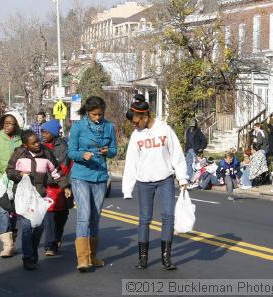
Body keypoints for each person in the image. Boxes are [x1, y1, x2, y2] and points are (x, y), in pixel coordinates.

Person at [122, 95, 188, 271]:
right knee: (144, 219)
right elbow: (131, 162)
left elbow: (177, 154)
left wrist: (182, 177)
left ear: (145, 117)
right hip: (144, 182)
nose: (134, 126)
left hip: (165, 179)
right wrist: (127, 188)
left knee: (168, 217)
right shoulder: (136, 136)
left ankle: (166, 257)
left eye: (136, 122)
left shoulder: (165, 130)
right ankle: (143, 258)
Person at [6, 130, 72, 271]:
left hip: (39, 196)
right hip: (23, 197)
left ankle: (33, 252)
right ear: (26, 145)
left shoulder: (46, 152)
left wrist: (65, 186)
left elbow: (56, 172)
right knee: (27, 227)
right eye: (33, 143)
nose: (38, 144)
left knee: (39, 227)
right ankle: (27, 258)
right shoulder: (19, 153)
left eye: (38, 141)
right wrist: (19, 174)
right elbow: (9, 171)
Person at [68, 96, 117, 272]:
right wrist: (82, 155)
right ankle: (82, 259)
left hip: (100, 177)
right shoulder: (78, 127)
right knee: (85, 214)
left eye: (100, 114)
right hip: (81, 176)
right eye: (94, 114)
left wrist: (107, 151)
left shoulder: (109, 127)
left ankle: (92, 256)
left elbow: (113, 150)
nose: (97, 118)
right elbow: (71, 151)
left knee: (95, 216)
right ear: (87, 112)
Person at [0, 111, 23, 258]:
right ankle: (7, 245)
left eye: (11, 124)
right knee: (3, 211)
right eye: (6, 123)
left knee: (14, 213)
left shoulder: (21, 139)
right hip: (1, 183)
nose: (8, 126)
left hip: (18, 182)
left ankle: (12, 239)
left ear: (16, 125)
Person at [41, 120, 73, 256]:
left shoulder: (63, 147)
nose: (43, 134)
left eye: (46, 132)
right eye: (42, 132)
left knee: (61, 216)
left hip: (62, 186)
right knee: (49, 217)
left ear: (53, 133)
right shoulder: (40, 146)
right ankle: (50, 245)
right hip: (47, 188)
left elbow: (63, 167)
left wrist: (63, 184)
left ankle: (57, 237)